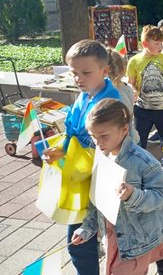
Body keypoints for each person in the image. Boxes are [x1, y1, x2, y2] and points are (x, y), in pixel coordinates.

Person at [43, 40, 122, 275]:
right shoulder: (85, 94)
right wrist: (61, 151)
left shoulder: (110, 101)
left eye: (86, 72)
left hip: (100, 180)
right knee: (85, 241)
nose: (78, 78)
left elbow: (113, 144)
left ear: (104, 71)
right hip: (83, 177)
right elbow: (75, 135)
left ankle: (160, 251)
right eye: (74, 73)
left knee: (82, 243)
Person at [72, 98, 163, 275]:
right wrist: (87, 228)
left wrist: (133, 195)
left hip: (136, 240)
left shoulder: (144, 162)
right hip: (113, 237)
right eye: (93, 137)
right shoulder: (101, 156)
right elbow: (96, 201)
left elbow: (161, 196)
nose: (98, 143)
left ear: (124, 130)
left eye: (103, 136)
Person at [127, 25, 163, 179]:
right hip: (142, 109)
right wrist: (133, 89)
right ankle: (142, 167)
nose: (160, 46)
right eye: (156, 44)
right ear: (145, 44)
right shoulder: (134, 61)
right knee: (139, 140)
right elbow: (131, 82)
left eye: (161, 43)